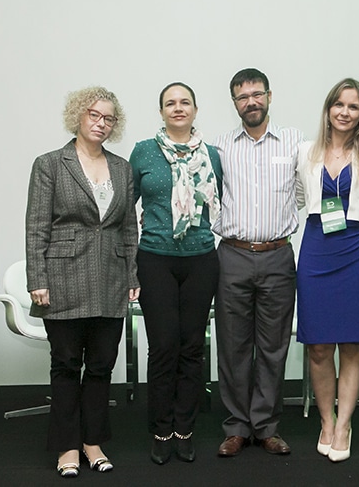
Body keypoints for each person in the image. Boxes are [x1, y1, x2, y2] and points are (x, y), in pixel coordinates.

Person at [26, 86, 140, 478]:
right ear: (78, 115)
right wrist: (37, 278)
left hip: (110, 279)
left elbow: (128, 228)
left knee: (101, 366)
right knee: (66, 365)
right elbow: (37, 226)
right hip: (63, 279)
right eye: (94, 114)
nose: (101, 123)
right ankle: (67, 446)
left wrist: (132, 273)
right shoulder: (50, 164)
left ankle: (93, 442)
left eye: (108, 118)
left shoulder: (122, 168)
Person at [129, 82, 222, 465]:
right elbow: (125, 209)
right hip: (155, 259)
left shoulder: (212, 155)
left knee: (192, 348)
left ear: (195, 110)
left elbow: (222, 202)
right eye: (171, 103)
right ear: (161, 111)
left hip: (201, 259)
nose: (178, 108)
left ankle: (185, 429)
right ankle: (161, 430)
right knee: (164, 346)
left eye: (185, 102)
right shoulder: (143, 152)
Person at [295, 78, 359, 462]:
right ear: (328, 109)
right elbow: (297, 197)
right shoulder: (305, 152)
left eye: (353, 106)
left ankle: (345, 424)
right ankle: (326, 421)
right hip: (317, 251)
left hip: (356, 253)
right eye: (339, 104)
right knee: (318, 346)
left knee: (351, 343)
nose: (344, 112)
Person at [213, 68, 303, 457]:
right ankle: (236, 426)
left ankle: (265, 426)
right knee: (233, 346)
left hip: (278, 256)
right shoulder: (218, 148)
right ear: (234, 103)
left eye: (257, 94)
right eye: (242, 97)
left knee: (273, 346)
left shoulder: (296, 142)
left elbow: (332, 158)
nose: (251, 102)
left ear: (269, 96)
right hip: (232, 256)